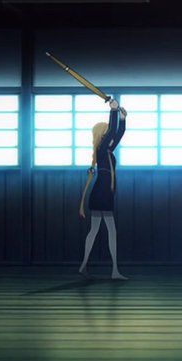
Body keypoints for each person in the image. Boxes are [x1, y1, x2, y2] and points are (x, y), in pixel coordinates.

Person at [78, 99, 128, 280]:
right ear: (102, 135)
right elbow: (113, 132)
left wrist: (122, 118)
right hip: (102, 193)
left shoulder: (107, 150)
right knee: (110, 231)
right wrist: (113, 111)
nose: (109, 135)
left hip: (102, 192)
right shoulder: (101, 149)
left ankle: (84, 265)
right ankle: (114, 271)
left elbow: (118, 134)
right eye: (106, 132)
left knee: (95, 231)